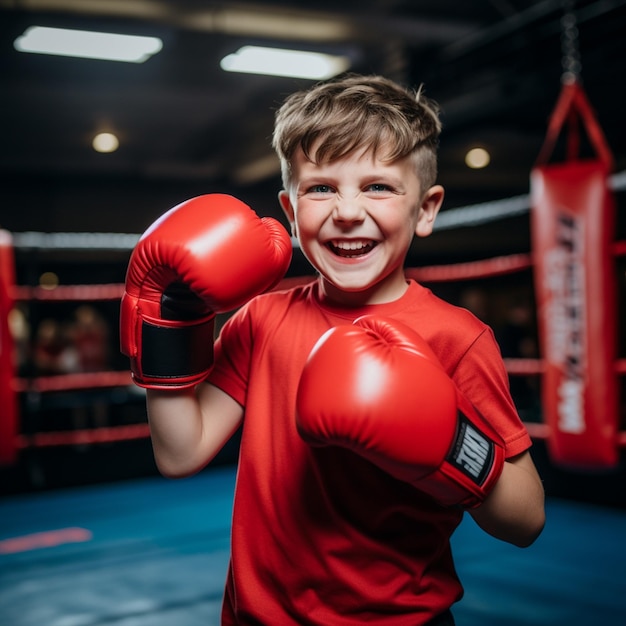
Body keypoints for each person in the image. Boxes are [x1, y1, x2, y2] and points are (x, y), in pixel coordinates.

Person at [120, 74, 545, 625]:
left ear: (426, 209)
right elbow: (180, 453)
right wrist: (173, 316)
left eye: (379, 187)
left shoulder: (456, 339)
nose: (347, 211)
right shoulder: (262, 319)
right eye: (321, 188)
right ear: (290, 210)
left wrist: (447, 444)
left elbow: (526, 519)